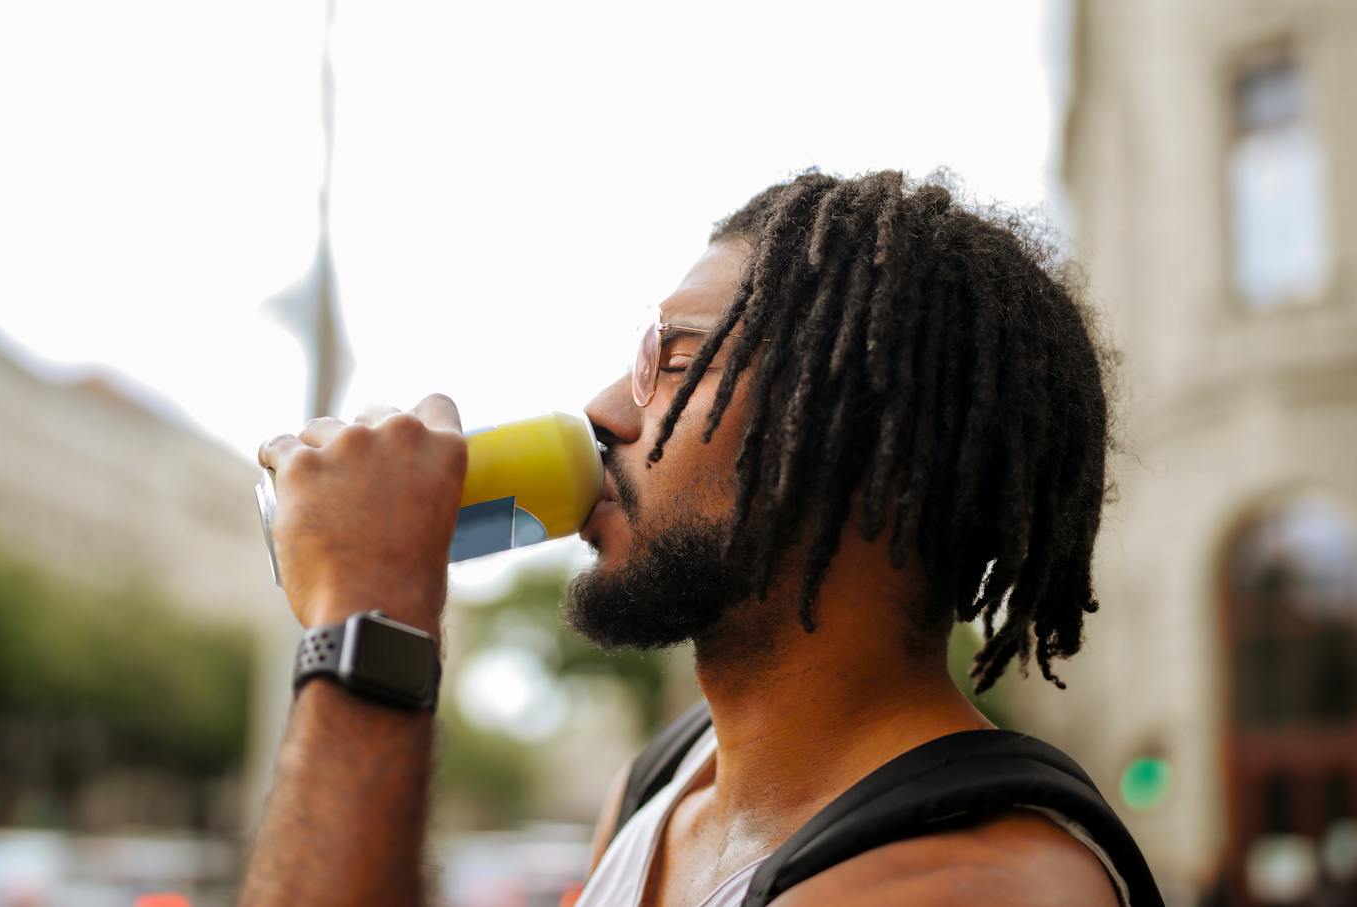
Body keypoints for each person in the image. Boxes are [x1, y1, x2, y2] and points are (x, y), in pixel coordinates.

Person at [243, 169, 1149, 906]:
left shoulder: (974, 884)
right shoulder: (664, 786)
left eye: (673, 362)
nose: (602, 409)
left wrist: (373, 620)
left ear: (872, 446)